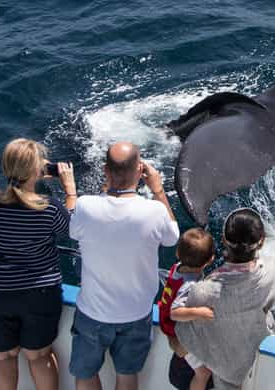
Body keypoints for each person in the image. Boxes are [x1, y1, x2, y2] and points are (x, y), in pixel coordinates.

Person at [68, 141, 179, 390]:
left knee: (85, 374)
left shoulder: (85, 205)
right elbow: (173, 237)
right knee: (127, 376)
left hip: (92, 312)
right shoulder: (154, 211)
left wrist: (105, 189)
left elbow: (74, 230)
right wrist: (159, 191)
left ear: (106, 171)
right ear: (140, 171)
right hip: (136, 314)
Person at [0, 138, 76, 390]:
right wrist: (70, 191)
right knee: (39, 355)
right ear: (35, 171)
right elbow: (72, 228)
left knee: (2, 357)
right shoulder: (49, 208)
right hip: (38, 294)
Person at [175, 208, 275, 390]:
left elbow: (183, 334)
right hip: (250, 351)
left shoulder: (202, 291)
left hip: (221, 361)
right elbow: (269, 302)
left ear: (223, 240)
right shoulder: (269, 272)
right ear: (261, 243)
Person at [158, 228, 215, 390]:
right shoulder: (190, 285)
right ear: (210, 260)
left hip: (167, 323)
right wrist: (200, 312)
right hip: (177, 332)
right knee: (203, 373)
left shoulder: (177, 267)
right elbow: (175, 312)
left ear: (177, 253)